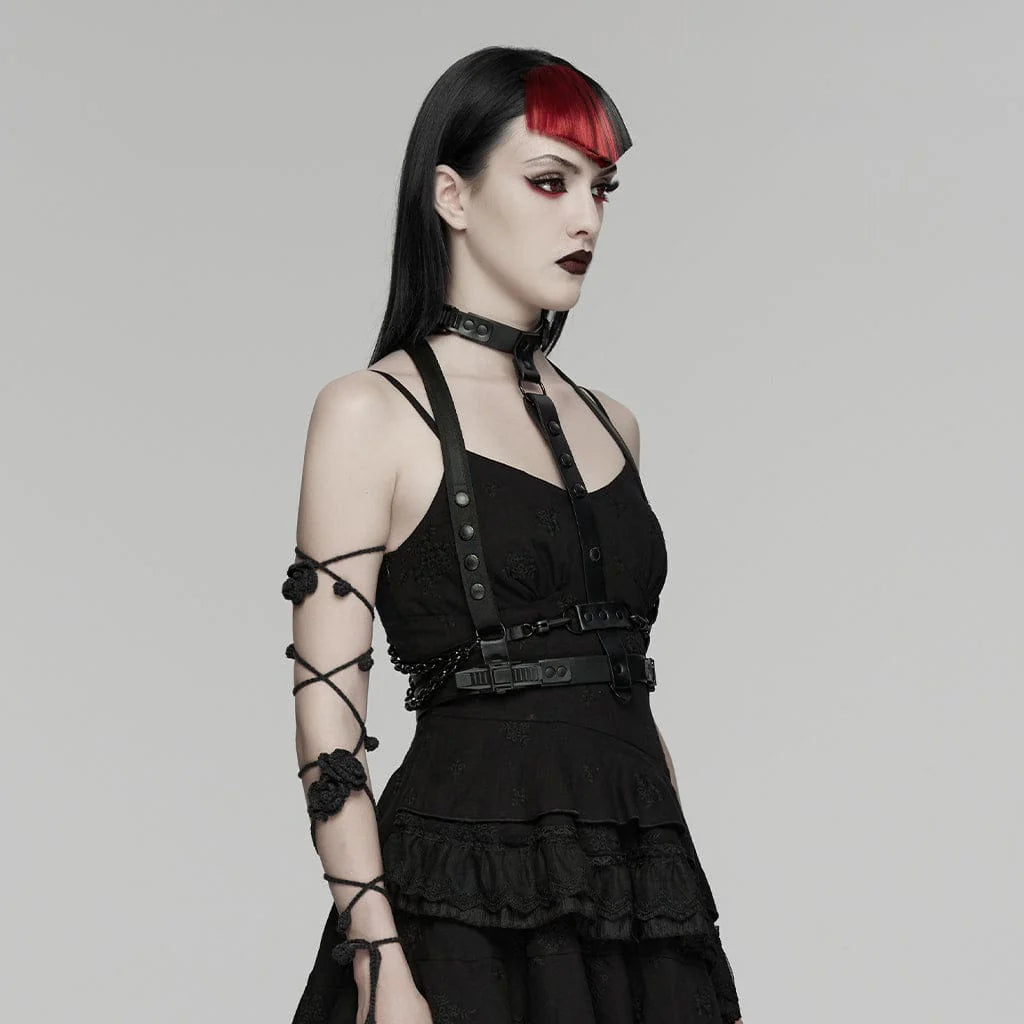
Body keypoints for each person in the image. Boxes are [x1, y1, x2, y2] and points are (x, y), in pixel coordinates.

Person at [283, 46, 744, 1024]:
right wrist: (380, 967)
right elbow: (328, 731)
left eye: (600, 188)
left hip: (638, 903)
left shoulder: (614, 424)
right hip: (459, 915)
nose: (585, 218)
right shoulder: (370, 413)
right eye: (548, 181)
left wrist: (674, 912)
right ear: (451, 196)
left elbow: (621, 694)